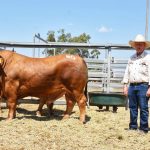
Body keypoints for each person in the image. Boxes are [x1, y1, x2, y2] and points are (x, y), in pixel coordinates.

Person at [123, 34, 150, 133]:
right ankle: (133, 126)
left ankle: (143, 128)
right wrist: (125, 86)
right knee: (132, 107)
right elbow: (127, 72)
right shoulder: (131, 58)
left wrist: (149, 88)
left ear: (144, 46)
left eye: (141, 44)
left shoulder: (148, 58)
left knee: (143, 108)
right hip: (132, 86)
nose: (138, 46)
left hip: (143, 85)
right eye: (137, 44)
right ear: (135, 46)